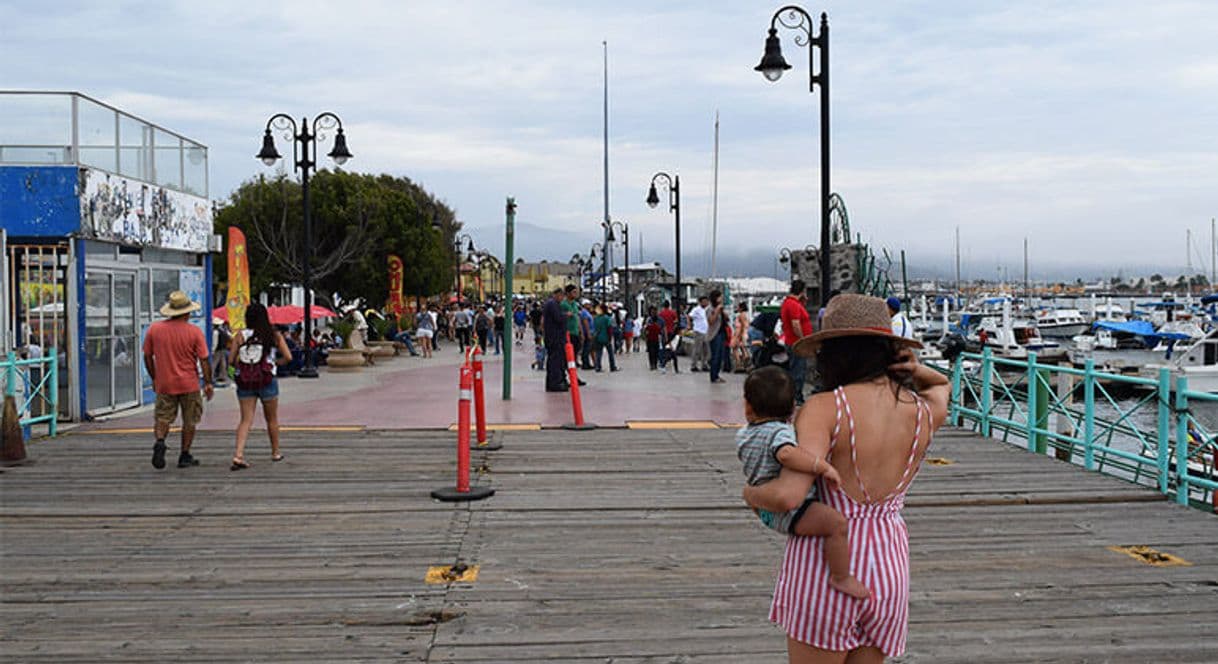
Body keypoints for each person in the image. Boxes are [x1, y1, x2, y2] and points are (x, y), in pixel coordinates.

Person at [743, 294, 949, 663]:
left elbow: (790, 496)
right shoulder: (922, 412)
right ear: (888, 351)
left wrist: (751, 494)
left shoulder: (825, 409)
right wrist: (916, 371)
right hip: (887, 568)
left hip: (826, 567)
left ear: (835, 354)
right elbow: (942, 388)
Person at [735, 365, 868, 600]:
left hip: (764, 508)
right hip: (793, 511)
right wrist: (821, 465)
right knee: (836, 525)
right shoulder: (780, 432)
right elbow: (786, 454)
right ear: (793, 408)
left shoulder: (744, 434)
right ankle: (841, 576)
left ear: (748, 407)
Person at [142, 290, 213, 470]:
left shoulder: (154, 330)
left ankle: (160, 441)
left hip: (165, 383)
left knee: (162, 417)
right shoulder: (194, 332)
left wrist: (155, 377)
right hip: (189, 383)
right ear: (187, 312)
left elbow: (147, 356)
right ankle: (184, 454)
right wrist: (208, 382)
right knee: (190, 419)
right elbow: (204, 359)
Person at [227, 302, 293, 471]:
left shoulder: (240, 336)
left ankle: (238, 454)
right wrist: (273, 364)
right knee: (271, 419)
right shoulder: (273, 335)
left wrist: (245, 365)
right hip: (267, 379)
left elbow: (231, 360)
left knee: (245, 420)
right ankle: (275, 452)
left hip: (246, 382)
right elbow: (288, 357)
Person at [780, 280, 813, 406]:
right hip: (796, 342)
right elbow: (796, 324)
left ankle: (795, 395)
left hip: (792, 340)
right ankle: (796, 396)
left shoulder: (790, 303)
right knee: (798, 370)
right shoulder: (793, 305)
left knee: (796, 368)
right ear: (802, 291)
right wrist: (803, 339)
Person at [543, 288, 569, 392]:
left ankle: (554, 382)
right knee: (556, 361)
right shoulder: (553, 304)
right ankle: (555, 383)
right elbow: (558, 318)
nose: (562, 299)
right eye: (562, 296)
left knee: (554, 360)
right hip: (555, 337)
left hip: (552, 337)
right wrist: (566, 315)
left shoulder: (550, 304)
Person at [706, 290, 728, 384]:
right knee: (715, 356)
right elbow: (711, 321)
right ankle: (713, 376)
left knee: (720, 356)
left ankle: (717, 375)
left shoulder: (720, 308)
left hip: (722, 333)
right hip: (715, 334)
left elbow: (726, 320)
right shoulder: (710, 309)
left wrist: (724, 313)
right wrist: (717, 311)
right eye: (720, 297)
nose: (721, 299)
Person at [592, 303, 618, 372]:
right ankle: (612, 366)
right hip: (606, 337)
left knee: (598, 353)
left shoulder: (596, 318)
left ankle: (598, 367)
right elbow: (609, 328)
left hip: (597, 337)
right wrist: (610, 337)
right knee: (610, 353)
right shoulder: (607, 318)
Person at [658, 300, 681, 373]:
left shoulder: (661, 313)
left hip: (663, 333)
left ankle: (663, 362)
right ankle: (668, 364)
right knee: (672, 350)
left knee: (665, 347)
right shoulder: (672, 312)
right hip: (671, 333)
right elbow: (676, 321)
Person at [688, 296, 710, 372]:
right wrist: (689, 325)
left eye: (706, 301)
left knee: (706, 350)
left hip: (706, 331)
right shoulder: (696, 309)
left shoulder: (707, 310)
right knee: (697, 349)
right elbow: (689, 316)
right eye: (704, 301)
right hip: (698, 331)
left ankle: (704, 365)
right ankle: (693, 365)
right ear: (700, 302)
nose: (705, 303)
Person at [732, 302, 751, 373]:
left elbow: (743, 324)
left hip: (739, 332)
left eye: (738, 307)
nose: (737, 308)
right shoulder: (746, 314)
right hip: (743, 332)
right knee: (742, 348)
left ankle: (739, 364)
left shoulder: (741, 315)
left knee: (735, 348)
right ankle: (744, 364)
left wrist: (740, 335)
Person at [212, 322, 232, 387]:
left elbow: (215, 342)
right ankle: (223, 376)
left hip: (218, 349)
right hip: (223, 348)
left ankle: (211, 376)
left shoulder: (215, 332)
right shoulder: (223, 331)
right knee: (223, 363)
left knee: (214, 363)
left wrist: (213, 350)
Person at [643, 306, 662, 370]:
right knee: (652, 352)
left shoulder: (657, 320)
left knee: (654, 352)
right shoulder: (649, 320)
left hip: (653, 339)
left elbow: (645, 330)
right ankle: (653, 364)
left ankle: (653, 364)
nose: (653, 312)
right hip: (652, 339)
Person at [579, 301, 595, 370]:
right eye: (588, 304)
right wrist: (588, 333)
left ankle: (586, 363)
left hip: (590, 332)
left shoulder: (587, 312)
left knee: (588, 348)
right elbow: (586, 323)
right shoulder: (584, 313)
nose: (590, 305)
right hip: (587, 332)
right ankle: (585, 364)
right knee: (587, 349)